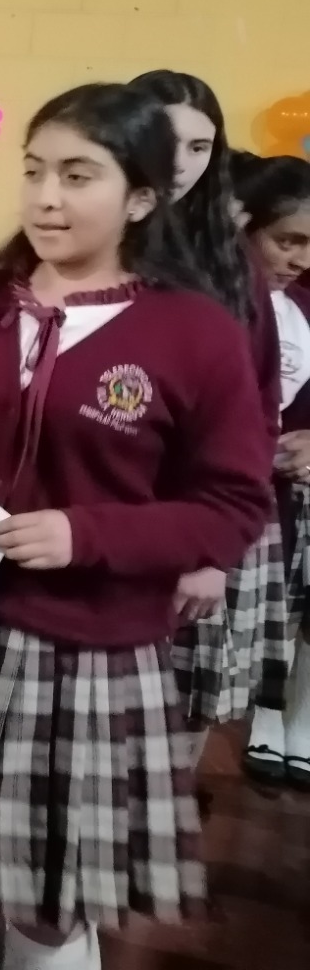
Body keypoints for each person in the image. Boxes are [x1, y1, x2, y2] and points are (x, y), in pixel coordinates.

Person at [0, 83, 274, 970]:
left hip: (85, 649)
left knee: (47, 899)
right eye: (34, 171)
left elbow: (233, 503)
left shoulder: (194, 332)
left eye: (78, 175)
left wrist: (87, 536)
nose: (47, 197)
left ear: (142, 197)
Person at [130, 69, 281, 772]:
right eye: (168, 142)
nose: (182, 164)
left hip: (192, 517)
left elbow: (255, 407)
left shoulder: (230, 262)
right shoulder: (86, 237)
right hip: (92, 506)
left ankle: (156, 816)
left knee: (180, 699)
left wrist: (213, 549)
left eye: (200, 146)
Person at [233, 154, 310, 787]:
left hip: (285, 492)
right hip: (231, 494)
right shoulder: (218, 304)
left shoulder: (301, 308)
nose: (300, 259)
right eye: (287, 241)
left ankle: (294, 713)